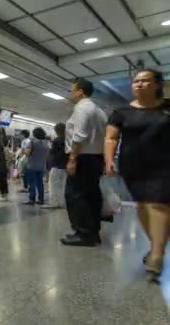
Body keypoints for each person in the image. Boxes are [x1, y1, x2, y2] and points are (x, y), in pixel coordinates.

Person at [106, 69, 170, 283]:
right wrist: (108, 160)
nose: (140, 84)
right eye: (136, 81)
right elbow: (111, 138)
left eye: (145, 80)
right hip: (133, 167)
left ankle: (157, 256)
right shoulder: (121, 112)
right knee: (142, 205)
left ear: (157, 84)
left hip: (164, 166)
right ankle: (156, 246)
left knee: (157, 204)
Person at [61, 78, 107, 247]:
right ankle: (93, 233)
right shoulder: (98, 110)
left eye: (72, 90)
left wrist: (72, 159)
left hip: (83, 158)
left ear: (80, 91)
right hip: (95, 158)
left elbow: (79, 136)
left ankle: (83, 234)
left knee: (76, 196)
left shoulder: (81, 108)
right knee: (91, 197)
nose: (70, 93)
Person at [42, 123, 68, 209]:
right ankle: (62, 202)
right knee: (63, 185)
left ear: (57, 131)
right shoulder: (69, 139)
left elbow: (52, 153)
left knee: (53, 185)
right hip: (66, 166)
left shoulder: (57, 140)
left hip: (57, 165)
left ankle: (54, 203)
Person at [23, 127, 50, 205]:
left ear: (34, 134)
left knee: (32, 183)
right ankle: (41, 199)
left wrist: (24, 151)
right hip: (41, 166)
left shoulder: (32, 142)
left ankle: (32, 199)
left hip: (31, 166)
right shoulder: (46, 143)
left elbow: (27, 153)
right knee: (40, 183)